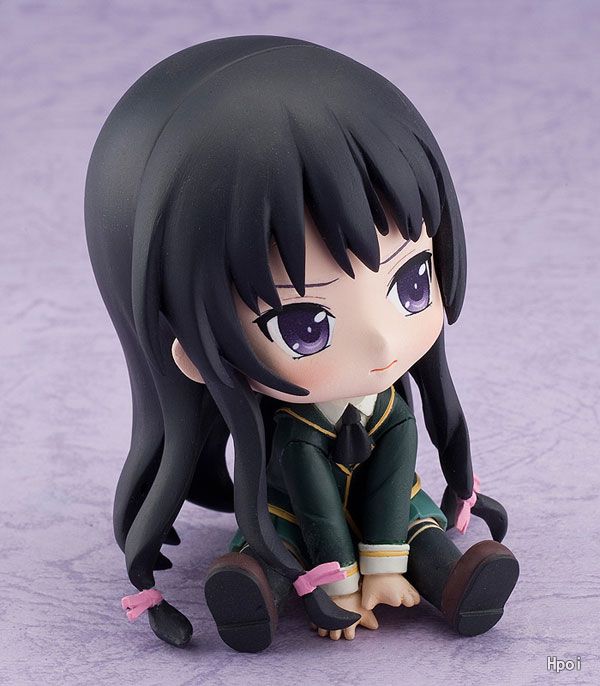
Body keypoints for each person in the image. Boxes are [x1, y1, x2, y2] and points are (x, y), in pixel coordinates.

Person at [85, 35, 519, 652]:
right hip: (293, 516)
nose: (381, 342)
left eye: (412, 282)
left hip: (389, 510)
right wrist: (339, 581)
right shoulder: (293, 434)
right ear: (191, 350)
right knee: (278, 544)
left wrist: (384, 565)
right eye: (305, 325)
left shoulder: (391, 408)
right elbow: (314, 501)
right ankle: (252, 594)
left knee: (416, 526)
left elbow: (394, 467)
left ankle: (455, 585)